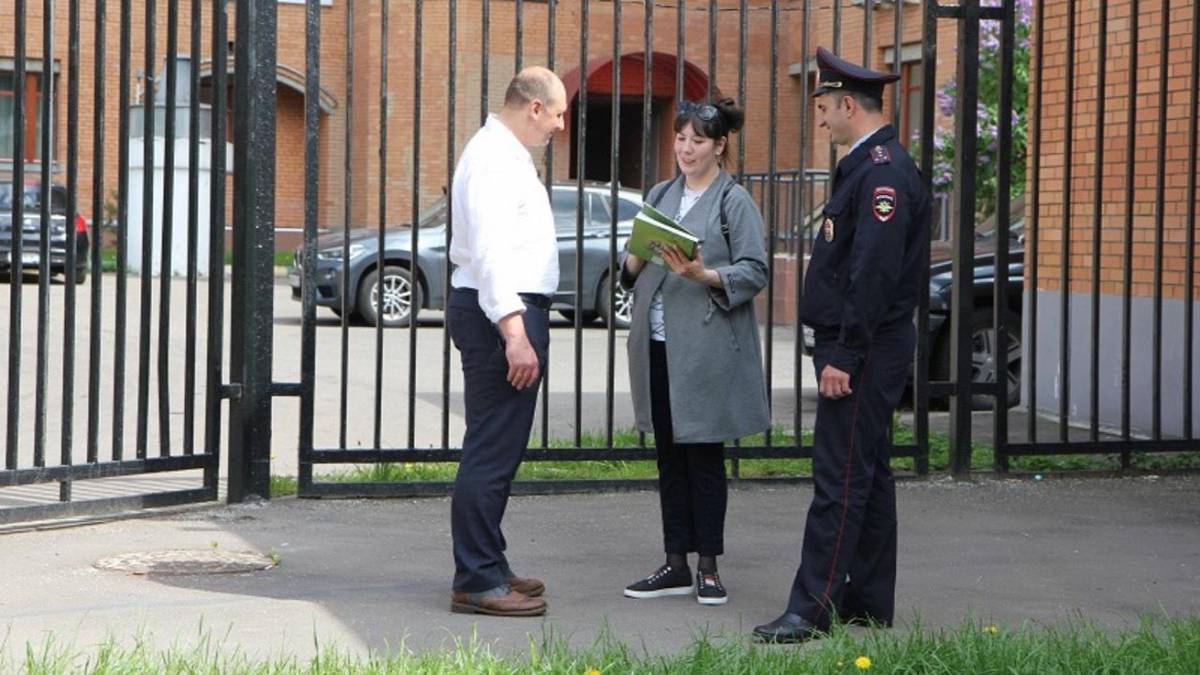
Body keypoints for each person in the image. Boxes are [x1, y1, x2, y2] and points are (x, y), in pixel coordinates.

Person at [752, 47, 930, 643]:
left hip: (864, 348)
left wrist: (844, 357)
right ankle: (869, 600)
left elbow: (872, 277)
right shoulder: (868, 166)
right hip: (864, 345)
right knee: (869, 473)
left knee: (840, 479)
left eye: (824, 108)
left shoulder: (880, 174)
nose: (821, 120)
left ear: (849, 105)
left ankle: (811, 608)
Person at [620, 97, 770, 606]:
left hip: (705, 347)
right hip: (659, 343)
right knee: (668, 457)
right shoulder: (662, 192)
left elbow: (755, 270)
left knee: (703, 454)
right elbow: (630, 269)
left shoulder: (735, 202)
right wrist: (636, 258)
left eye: (697, 140)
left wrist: (703, 275)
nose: (685, 148)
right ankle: (675, 562)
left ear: (720, 145)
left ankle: (708, 565)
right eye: (680, 138)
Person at [445, 66, 566, 617]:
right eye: (558, 113)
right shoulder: (493, 158)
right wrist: (514, 332)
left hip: (505, 312)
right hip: (502, 315)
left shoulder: (506, 153)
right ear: (534, 106)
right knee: (492, 451)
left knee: (499, 448)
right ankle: (477, 578)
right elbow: (491, 252)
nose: (560, 126)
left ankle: (488, 562)